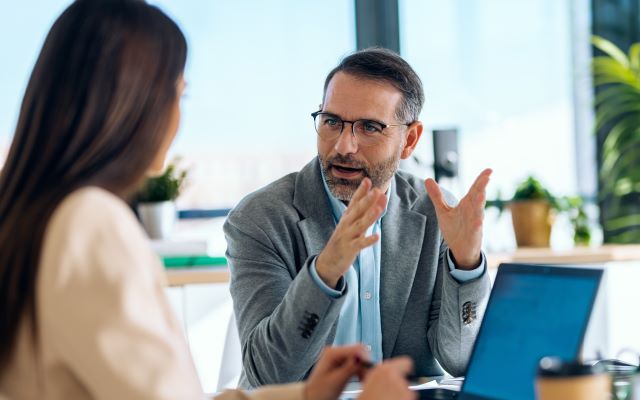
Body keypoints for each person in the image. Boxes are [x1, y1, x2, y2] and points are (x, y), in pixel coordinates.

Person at [0, 1, 414, 399]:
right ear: (131, 103)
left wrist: (305, 396)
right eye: (178, 95)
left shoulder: (32, 217)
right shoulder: (89, 224)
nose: (178, 118)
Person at [224, 47, 493, 389]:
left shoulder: (437, 212)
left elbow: (460, 360)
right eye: (332, 122)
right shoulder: (261, 219)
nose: (344, 146)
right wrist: (324, 273)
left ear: (409, 140)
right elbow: (269, 377)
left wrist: (466, 265)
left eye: (369, 127)